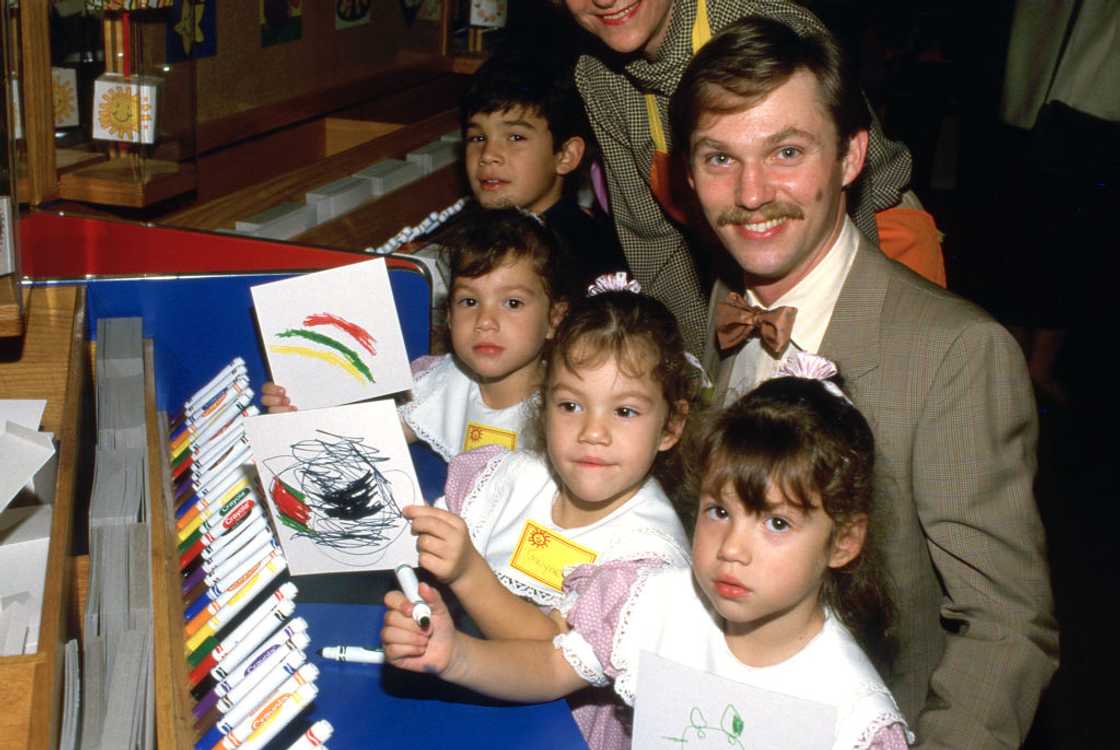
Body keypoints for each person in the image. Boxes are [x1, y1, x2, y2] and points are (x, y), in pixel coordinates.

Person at [671, 17, 1056, 747]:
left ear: (851, 156)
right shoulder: (716, 312)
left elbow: (1008, 628)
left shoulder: (956, 354)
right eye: (720, 159)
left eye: (786, 152)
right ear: (688, 176)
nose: (752, 195)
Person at [382, 353, 912, 750]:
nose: (732, 549)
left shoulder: (852, 718)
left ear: (843, 541)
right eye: (719, 512)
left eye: (776, 523)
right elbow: (549, 664)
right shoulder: (649, 600)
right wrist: (456, 655)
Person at [401, 280, 698, 739]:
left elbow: (550, 657)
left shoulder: (647, 561)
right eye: (571, 405)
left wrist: (466, 575)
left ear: (671, 426)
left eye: (624, 412)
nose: (592, 432)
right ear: (543, 407)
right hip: (461, 699)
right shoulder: (508, 479)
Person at [562, 0, 945, 355]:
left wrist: (851, 347)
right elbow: (654, 242)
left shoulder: (761, 23)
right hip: (744, 255)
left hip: (868, 234)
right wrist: (699, 363)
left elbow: (845, 193)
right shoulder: (597, 75)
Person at [262, 207, 567, 460]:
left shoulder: (566, 411)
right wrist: (298, 414)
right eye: (469, 302)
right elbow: (364, 438)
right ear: (448, 315)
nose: (485, 321)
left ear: (554, 319)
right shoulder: (443, 382)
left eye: (512, 303)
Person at [459, 51, 630, 298]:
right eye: (478, 138)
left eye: (515, 137)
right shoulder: (472, 235)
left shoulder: (585, 255)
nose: (488, 154)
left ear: (565, 155)